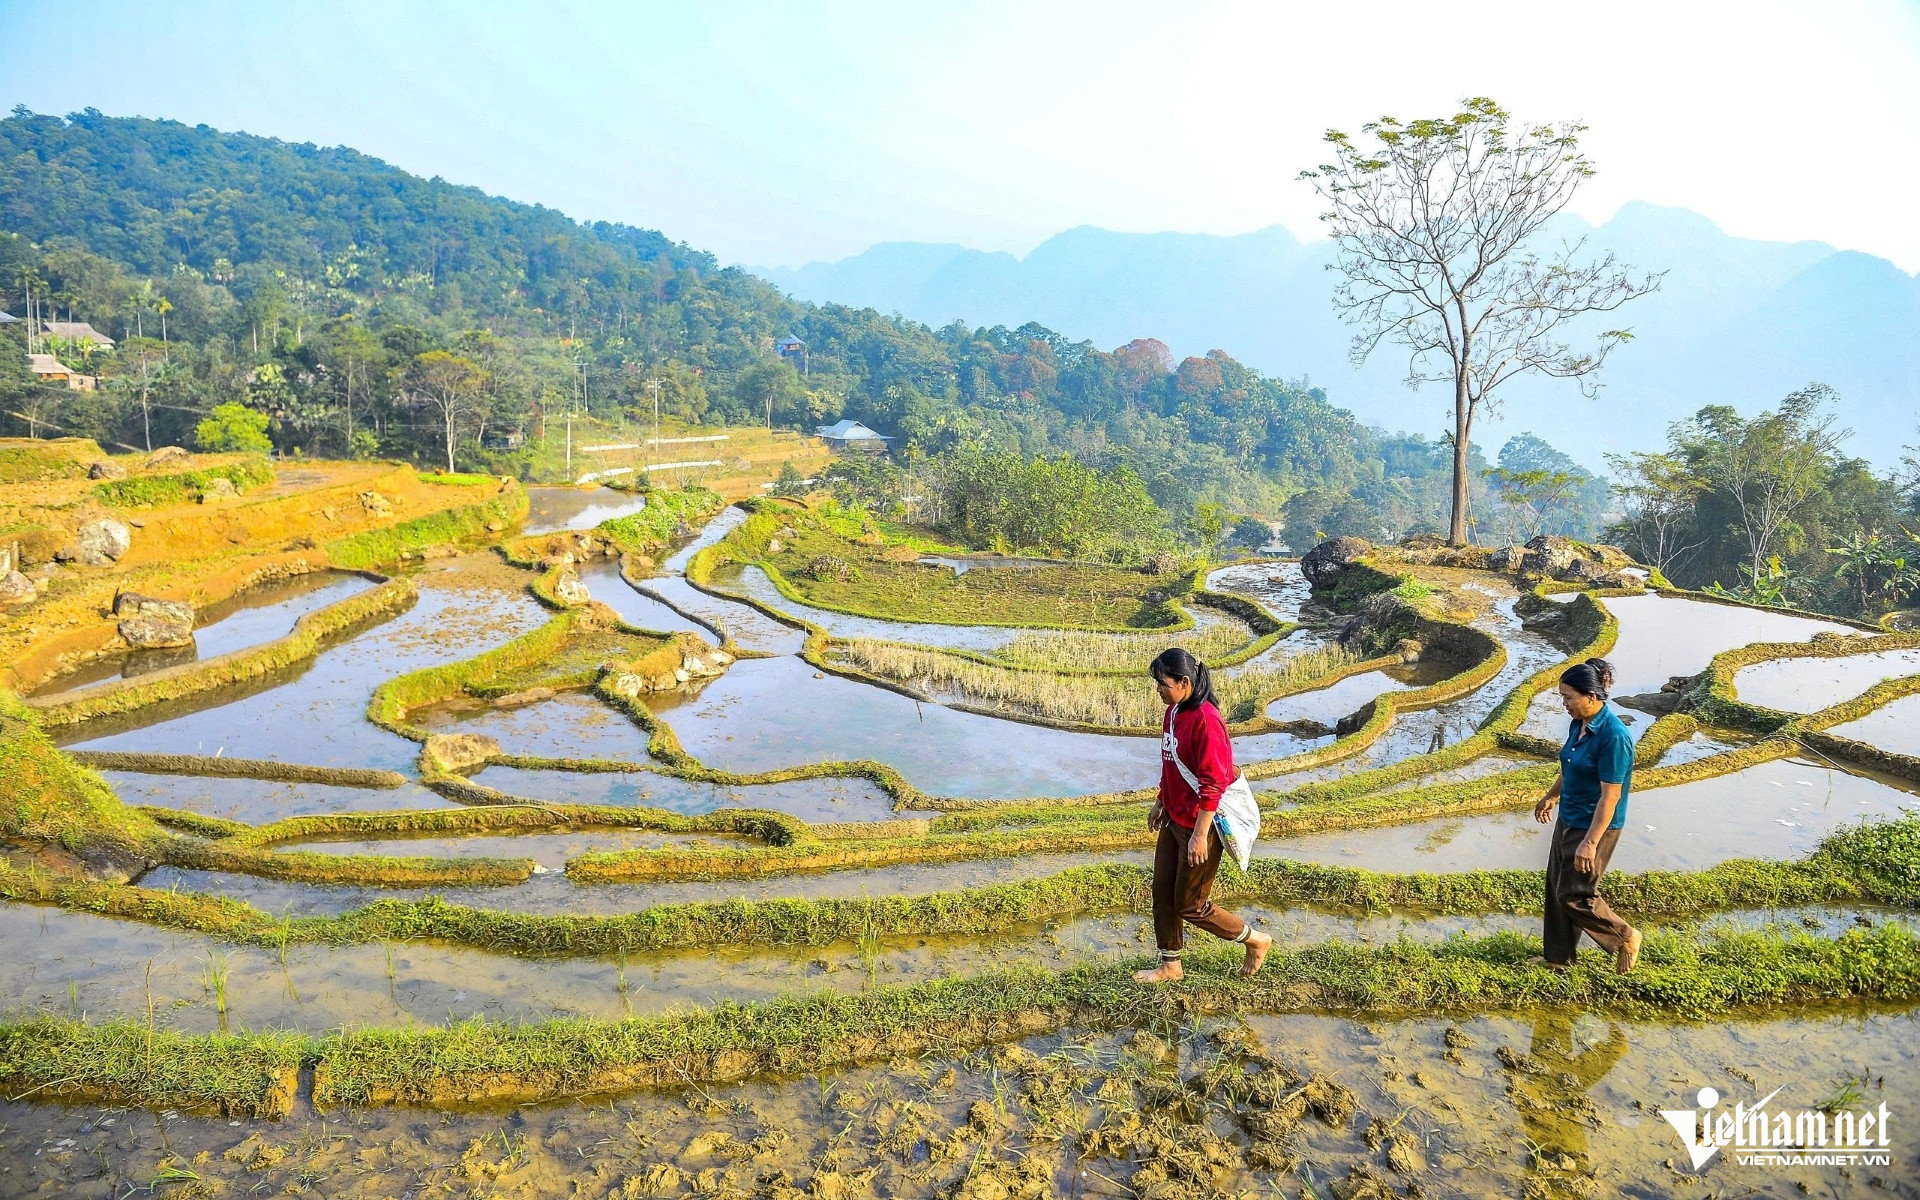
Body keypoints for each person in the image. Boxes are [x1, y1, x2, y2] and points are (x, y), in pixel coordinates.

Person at [1133, 647, 1273, 984]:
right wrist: (1161, 801)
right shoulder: (1174, 712)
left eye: (1163, 684)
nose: (1159, 690)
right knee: (1162, 892)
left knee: (1192, 905)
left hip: (1200, 825)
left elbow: (1212, 784)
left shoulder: (1206, 721)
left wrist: (1199, 835)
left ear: (1184, 682)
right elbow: (1171, 764)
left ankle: (1255, 940)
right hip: (1175, 817)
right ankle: (1171, 965)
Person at [1532, 657, 1643, 973]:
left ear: (1591, 696)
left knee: (1575, 894)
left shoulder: (1614, 736)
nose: (1564, 703)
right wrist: (1552, 795)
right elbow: (1571, 765)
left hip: (1596, 825)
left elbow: (1611, 796)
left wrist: (1590, 843)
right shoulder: (1578, 723)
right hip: (1570, 816)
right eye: (1562, 696)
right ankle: (1558, 960)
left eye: (1568, 697)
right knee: (1557, 888)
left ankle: (1625, 936)